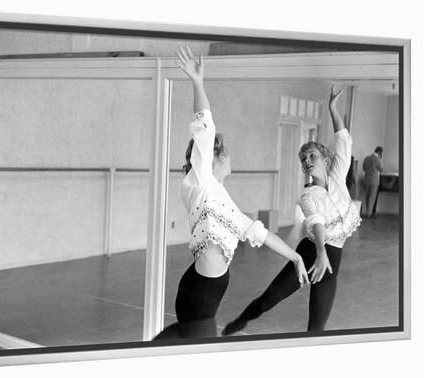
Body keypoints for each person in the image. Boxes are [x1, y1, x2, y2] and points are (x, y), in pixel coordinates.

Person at [153, 47, 309, 340]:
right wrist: (197, 83)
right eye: (228, 153)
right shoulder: (201, 181)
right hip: (199, 295)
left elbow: (258, 233)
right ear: (217, 158)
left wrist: (296, 258)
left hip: (204, 291)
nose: (231, 157)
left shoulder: (220, 198)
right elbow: (204, 129)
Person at [222, 86, 362, 335]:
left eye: (311, 156)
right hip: (312, 252)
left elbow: (343, 141)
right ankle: (242, 319)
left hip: (332, 261)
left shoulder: (338, 176)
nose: (307, 162)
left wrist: (332, 109)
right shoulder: (307, 196)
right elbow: (316, 222)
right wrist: (320, 253)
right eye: (303, 159)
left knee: (317, 328)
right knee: (269, 299)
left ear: (325, 159)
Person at [362, 146, 384, 218]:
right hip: (374, 181)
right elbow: (381, 169)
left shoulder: (367, 158)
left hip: (366, 180)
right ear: (380, 152)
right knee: (372, 197)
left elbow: (364, 168)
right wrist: (380, 159)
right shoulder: (377, 159)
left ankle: (363, 213)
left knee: (365, 197)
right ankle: (369, 214)